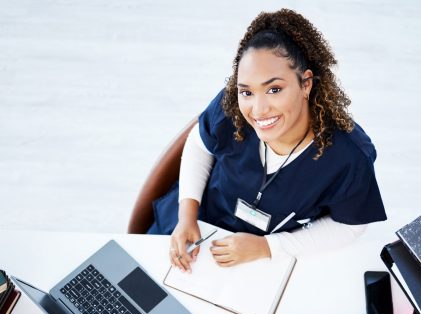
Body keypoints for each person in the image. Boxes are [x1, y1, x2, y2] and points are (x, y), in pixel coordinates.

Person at [147, 9, 386, 273]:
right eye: (247, 91)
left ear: (306, 83)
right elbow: (199, 144)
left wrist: (269, 247)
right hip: (195, 231)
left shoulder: (348, 156)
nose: (258, 110)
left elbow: (350, 225)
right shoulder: (231, 107)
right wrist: (186, 217)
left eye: (274, 89)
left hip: (267, 261)